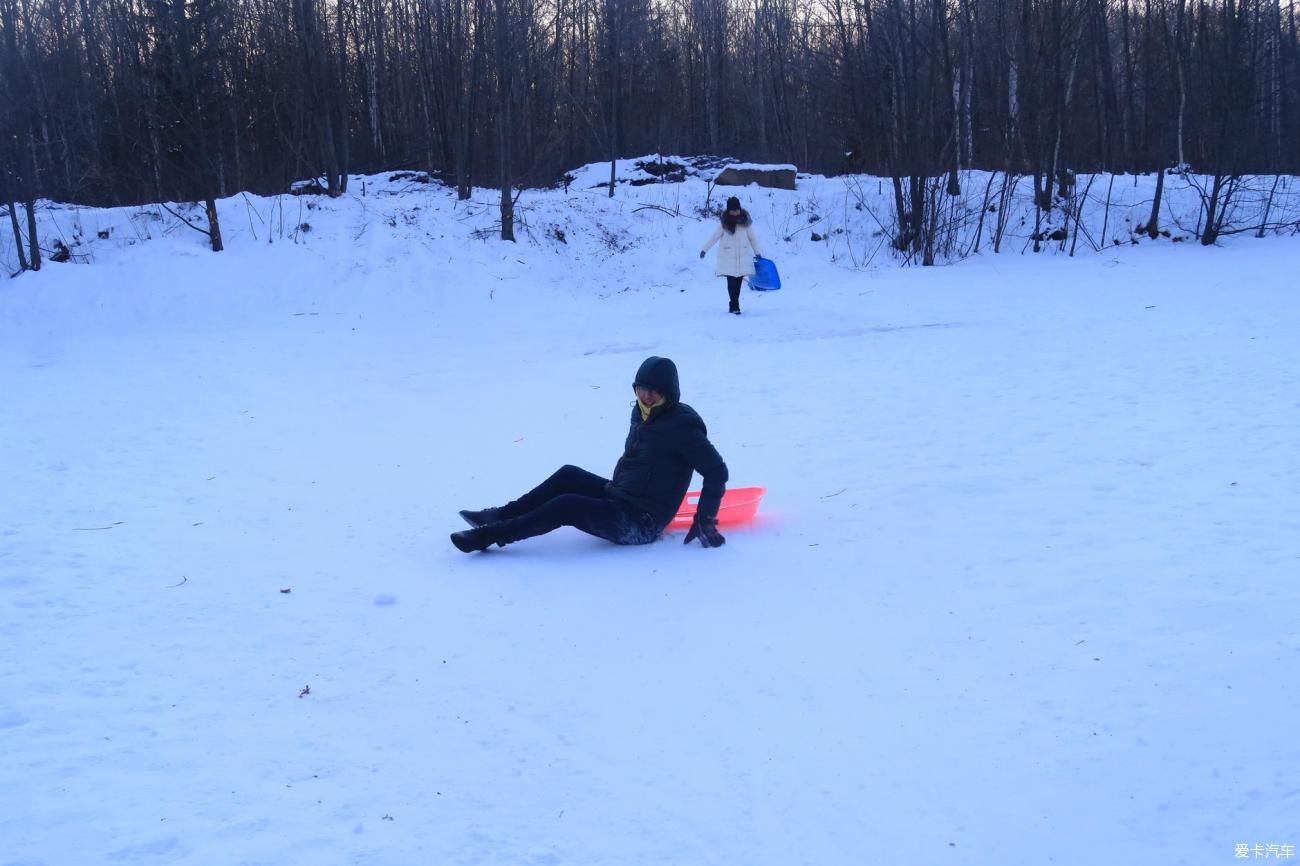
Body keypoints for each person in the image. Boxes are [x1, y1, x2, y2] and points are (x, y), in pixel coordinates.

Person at [451, 356, 729, 553]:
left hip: (642, 521)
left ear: (669, 393)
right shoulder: (642, 413)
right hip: (620, 494)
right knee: (568, 474)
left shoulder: (682, 426)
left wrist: (705, 518)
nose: (646, 398)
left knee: (567, 505)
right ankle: (499, 515)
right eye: (642, 390)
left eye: (653, 393)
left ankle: (488, 536)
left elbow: (717, 471)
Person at [700, 196, 764, 315]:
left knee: (738, 284)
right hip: (728, 258)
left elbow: (753, 238)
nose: (735, 212)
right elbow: (714, 237)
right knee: (731, 283)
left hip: (742, 257)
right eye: (733, 210)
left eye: (737, 209)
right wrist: (705, 249)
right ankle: (734, 305)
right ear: (729, 210)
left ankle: (735, 304)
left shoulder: (745, 223)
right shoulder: (724, 224)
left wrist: (758, 252)